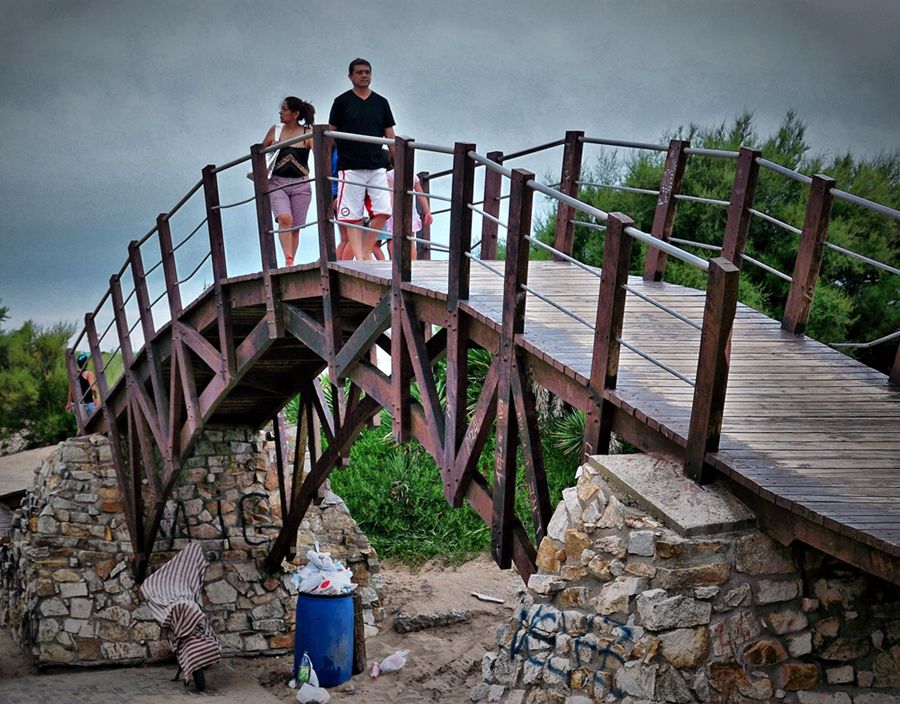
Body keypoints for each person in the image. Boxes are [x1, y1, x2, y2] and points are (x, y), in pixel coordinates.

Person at [328, 58, 396, 260]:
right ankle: (360, 257)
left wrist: (397, 162)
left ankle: (364, 254)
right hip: (350, 166)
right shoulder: (341, 102)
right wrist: (329, 170)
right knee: (352, 216)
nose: (364, 75)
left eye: (367, 72)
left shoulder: (381, 102)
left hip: (376, 165)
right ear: (350, 76)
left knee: (383, 211)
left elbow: (390, 135)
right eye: (359, 72)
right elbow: (331, 136)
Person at [262, 96, 315, 267]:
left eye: (284, 109)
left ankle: (291, 261)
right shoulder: (276, 130)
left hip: (301, 183)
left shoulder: (307, 133)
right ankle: (288, 258)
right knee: (285, 218)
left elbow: (320, 154)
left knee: (296, 226)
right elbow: (260, 153)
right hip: (277, 182)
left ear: (295, 113)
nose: (280, 112)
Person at [384, 166, 433, 260]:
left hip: (395, 212)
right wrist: (427, 211)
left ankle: (395, 265)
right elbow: (421, 194)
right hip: (410, 212)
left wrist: (390, 212)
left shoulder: (389, 175)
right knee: (410, 240)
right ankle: (413, 264)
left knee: (395, 239)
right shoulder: (411, 175)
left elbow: (391, 196)